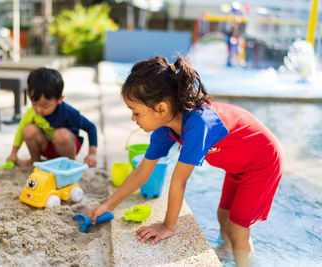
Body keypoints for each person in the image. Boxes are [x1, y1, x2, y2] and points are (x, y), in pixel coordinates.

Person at [90, 56, 283, 266]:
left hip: (262, 162)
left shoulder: (199, 124)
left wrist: (167, 226)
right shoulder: (164, 130)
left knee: (237, 228)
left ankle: (243, 262)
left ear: (161, 108)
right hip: (238, 166)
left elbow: (179, 180)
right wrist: (108, 205)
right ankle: (227, 254)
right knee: (223, 216)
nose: (133, 119)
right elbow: (142, 171)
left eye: (136, 112)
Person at [6, 67, 97, 167]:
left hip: (67, 147)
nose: (39, 110)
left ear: (59, 99)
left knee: (60, 134)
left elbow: (91, 127)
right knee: (28, 130)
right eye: (34, 104)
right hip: (47, 148)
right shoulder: (31, 112)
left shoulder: (68, 112)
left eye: (45, 106)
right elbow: (20, 131)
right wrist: (13, 153)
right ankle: (35, 160)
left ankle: (69, 164)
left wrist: (92, 154)